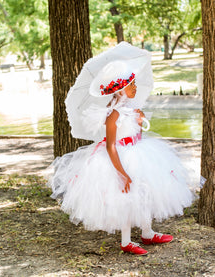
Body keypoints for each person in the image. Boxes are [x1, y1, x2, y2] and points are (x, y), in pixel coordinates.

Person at [48, 57, 196, 255]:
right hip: (120, 159)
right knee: (126, 198)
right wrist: (122, 173)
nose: (134, 87)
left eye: (134, 83)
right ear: (119, 90)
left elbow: (136, 137)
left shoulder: (132, 110)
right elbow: (111, 146)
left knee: (145, 193)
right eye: (130, 84)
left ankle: (148, 232)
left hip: (139, 154)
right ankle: (126, 241)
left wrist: (139, 120)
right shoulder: (113, 115)